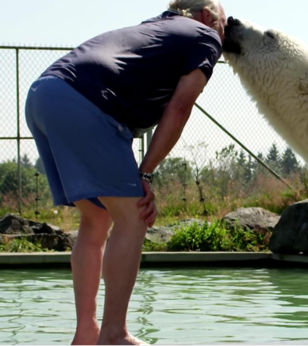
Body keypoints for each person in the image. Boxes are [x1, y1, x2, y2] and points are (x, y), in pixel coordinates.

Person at [24, 0, 227, 344]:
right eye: (225, 23)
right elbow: (179, 107)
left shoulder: (155, 29)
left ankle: (86, 332)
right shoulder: (205, 35)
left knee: (97, 219)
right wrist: (145, 174)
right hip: (86, 101)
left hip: (44, 95)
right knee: (133, 216)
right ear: (208, 15)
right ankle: (114, 334)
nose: (224, 34)